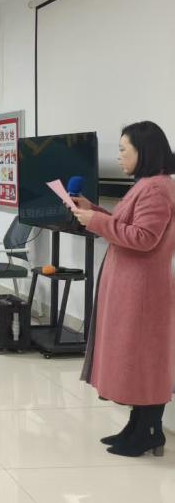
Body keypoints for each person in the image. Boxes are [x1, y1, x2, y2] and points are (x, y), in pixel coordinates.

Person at [73, 121, 175, 457]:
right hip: (134, 287)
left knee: (144, 360)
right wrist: (94, 212)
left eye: (123, 149)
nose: (118, 156)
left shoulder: (157, 189)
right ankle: (138, 426)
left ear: (143, 152)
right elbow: (126, 225)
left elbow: (144, 238)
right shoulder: (148, 184)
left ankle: (149, 432)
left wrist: (97, 222)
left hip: (143, 291)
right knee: (136, 358)